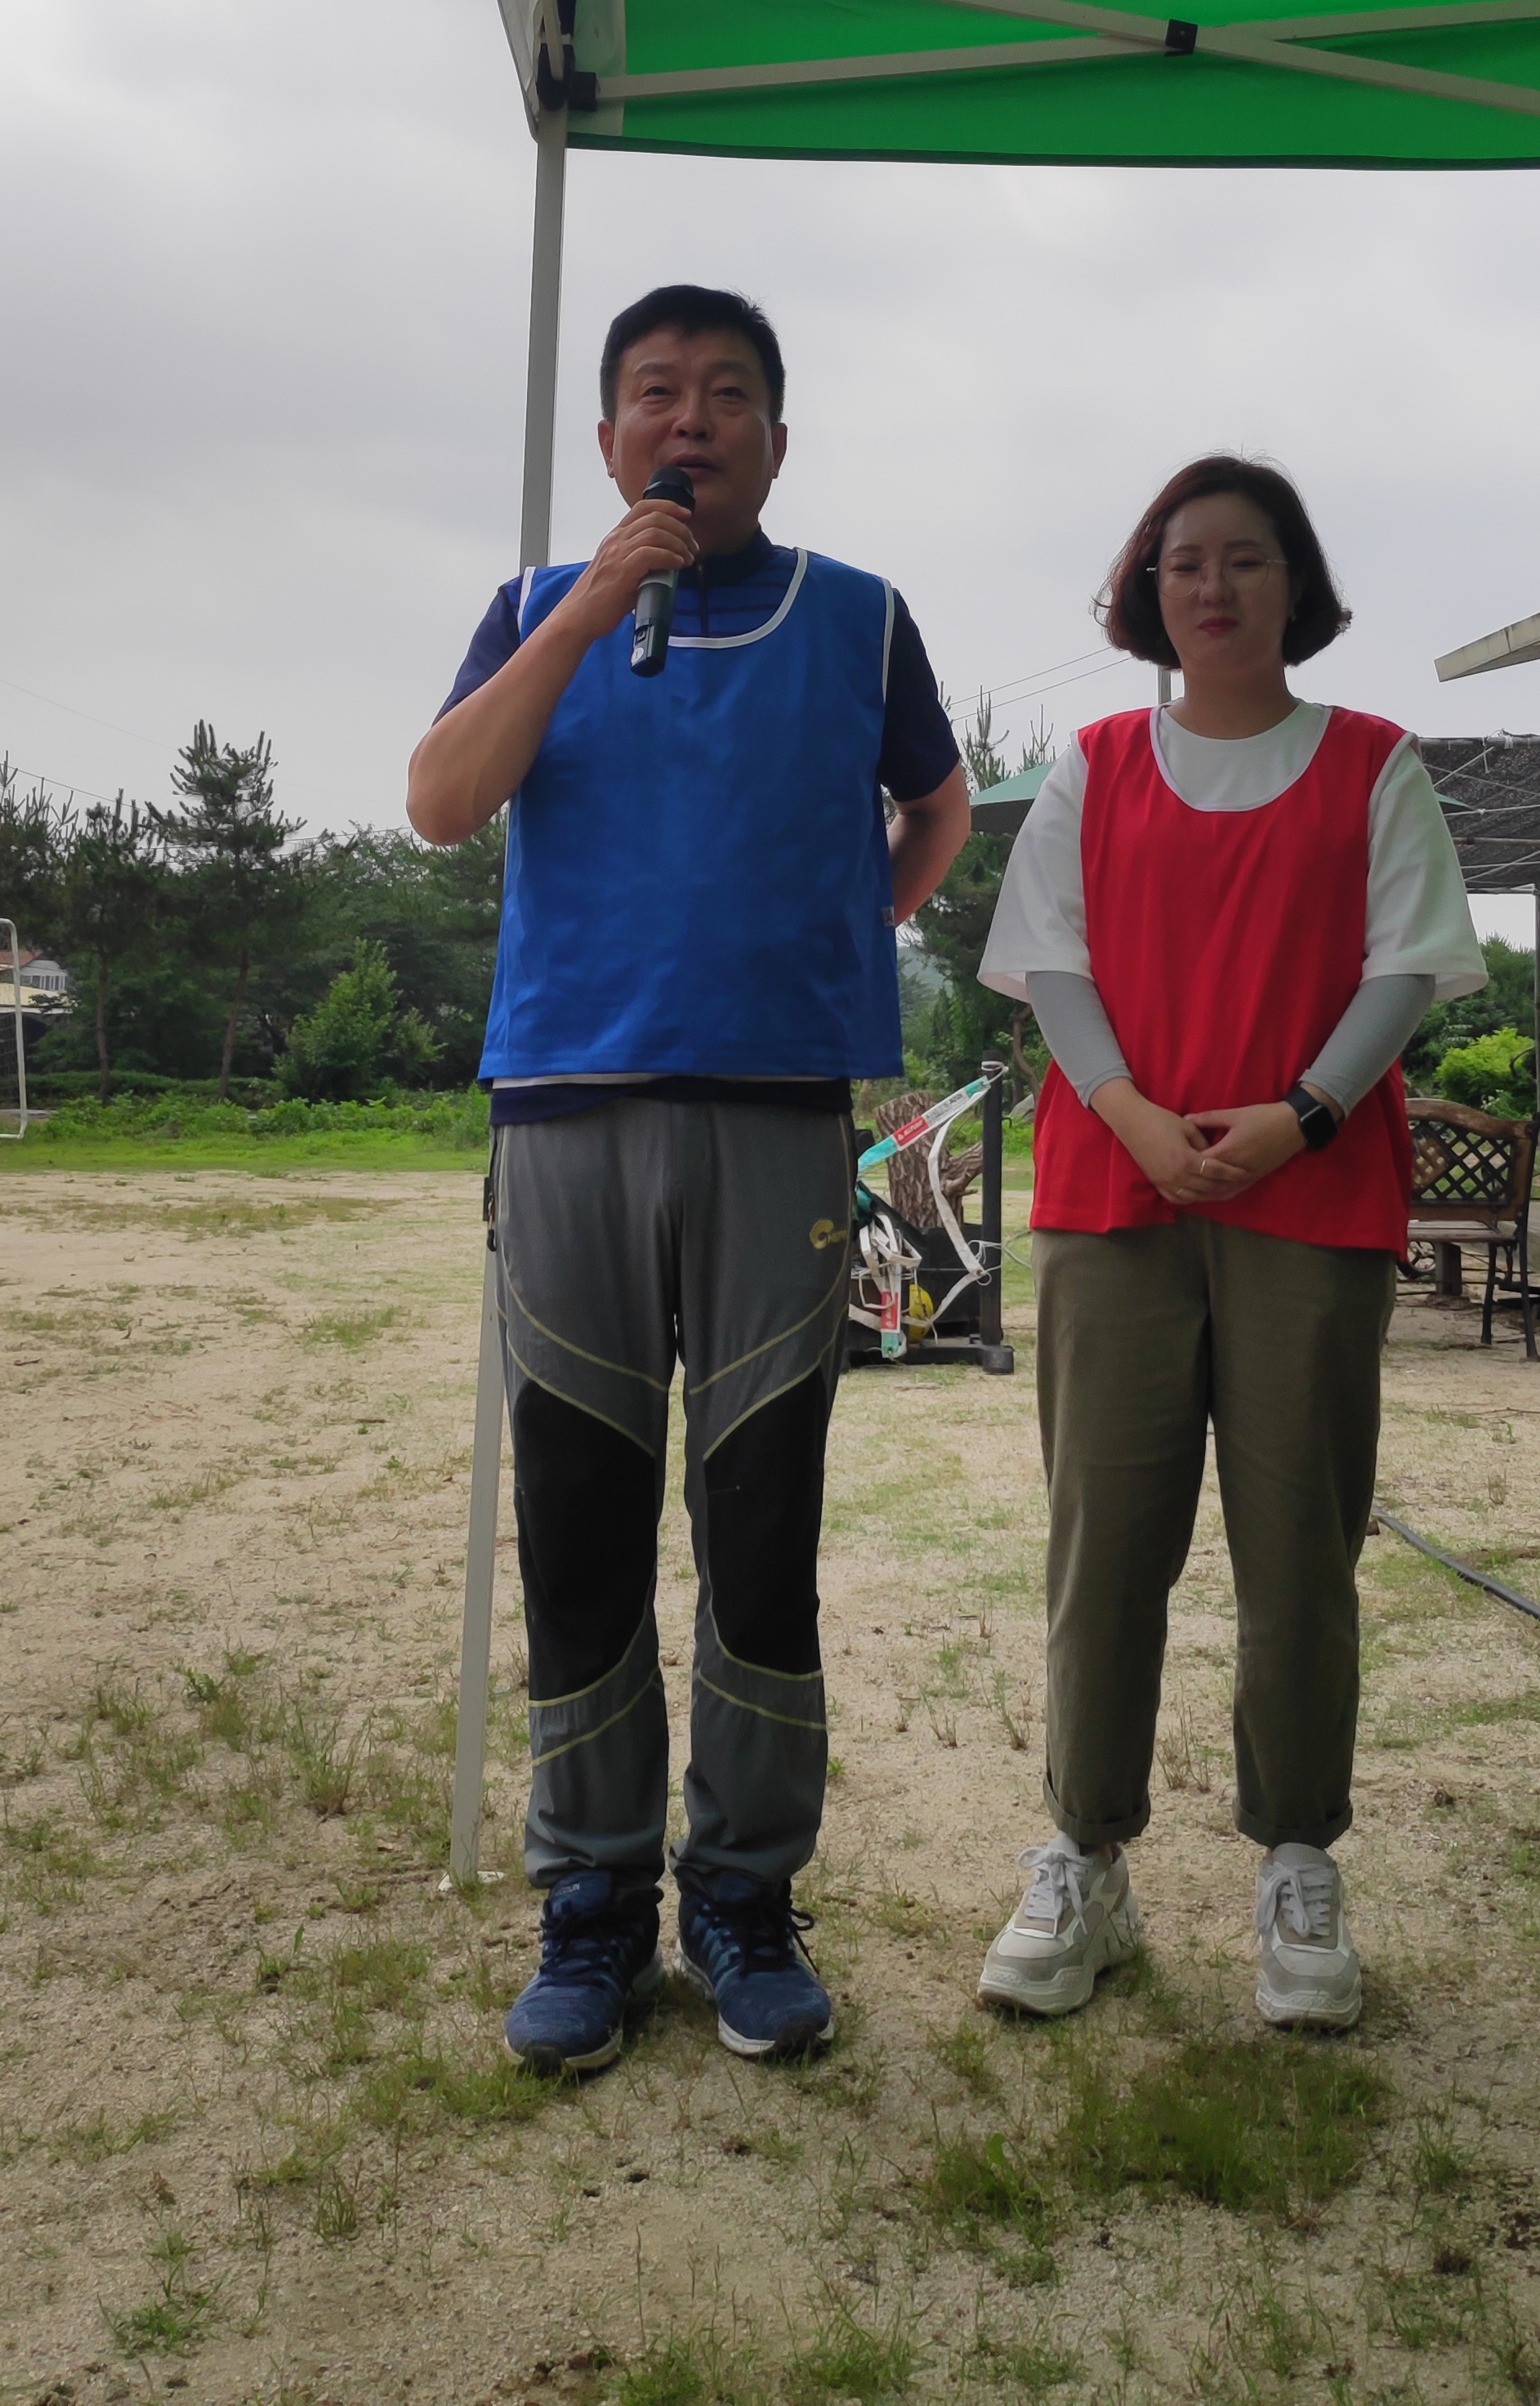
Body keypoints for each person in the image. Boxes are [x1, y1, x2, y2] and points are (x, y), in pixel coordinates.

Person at [408, 285, 967, 2076]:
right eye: (656, 394)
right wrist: (586, 608)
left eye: (729, 395)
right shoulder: (532, 612)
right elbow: (440, 800)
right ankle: (589, 1903)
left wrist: (847, 933)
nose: (692, 422)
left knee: (760, 1521)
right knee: (578, 1517)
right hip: (564, 1112)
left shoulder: (859, 618)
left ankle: (744, 1896)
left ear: (778, 441)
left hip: (775, 1119)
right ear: (607, 441)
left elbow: (939, 806)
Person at [974, 455, 1482, 2029]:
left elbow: (1405, 969)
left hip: (1310, 1200)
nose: (1213, 586)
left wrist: (1302, 1115)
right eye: (1184, 561)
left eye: (1247, 558)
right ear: (1149, 591)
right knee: (1104, 1545)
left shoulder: (1376, 767)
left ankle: (1299, 1862)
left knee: (1300, 1550)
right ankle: (1086, 1857)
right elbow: (1052, 965)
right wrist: (1131, 1113)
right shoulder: (1093, 766)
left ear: (1296, 586)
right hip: (1113, 1194)